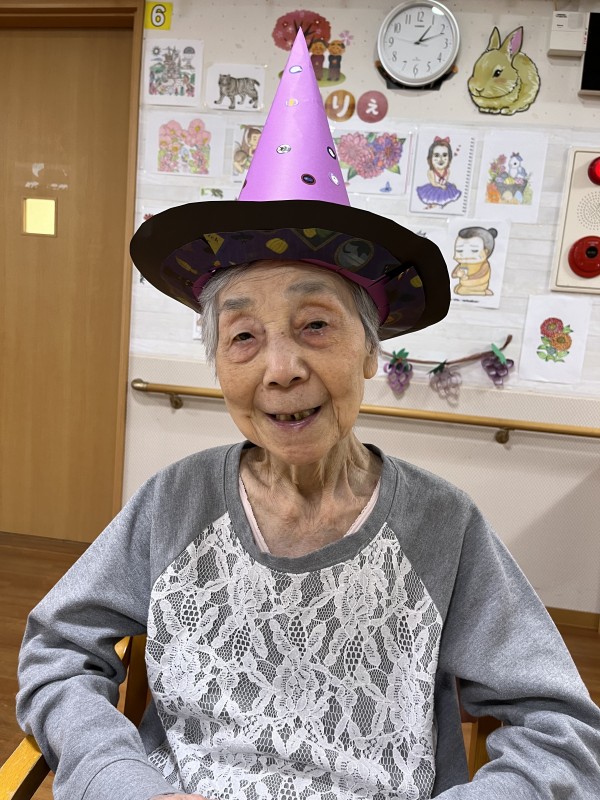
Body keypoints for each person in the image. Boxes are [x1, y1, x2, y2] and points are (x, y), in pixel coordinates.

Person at [16, 29, 600, 800]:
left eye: (316, 324)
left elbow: (561, 730)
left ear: (371, 351)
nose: (281, 368)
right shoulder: (174, 502)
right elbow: (56, 652)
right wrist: (121, 780)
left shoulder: (443, 527)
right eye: (243, 336)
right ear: (219, 365)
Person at [416, 136, 462, 210]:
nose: (441, 159)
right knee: (435, 200)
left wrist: (446, 185)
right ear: (430, 158)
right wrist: (440, 186)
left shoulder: (447, 171)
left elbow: (445, 180)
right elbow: (434, 183)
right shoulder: (431, 172)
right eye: (436, 155)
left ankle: (442, 207)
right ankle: (432, 207)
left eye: (444, 155)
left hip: (444, 187)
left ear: (449, 158)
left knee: (446, 199)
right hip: (435, 189)